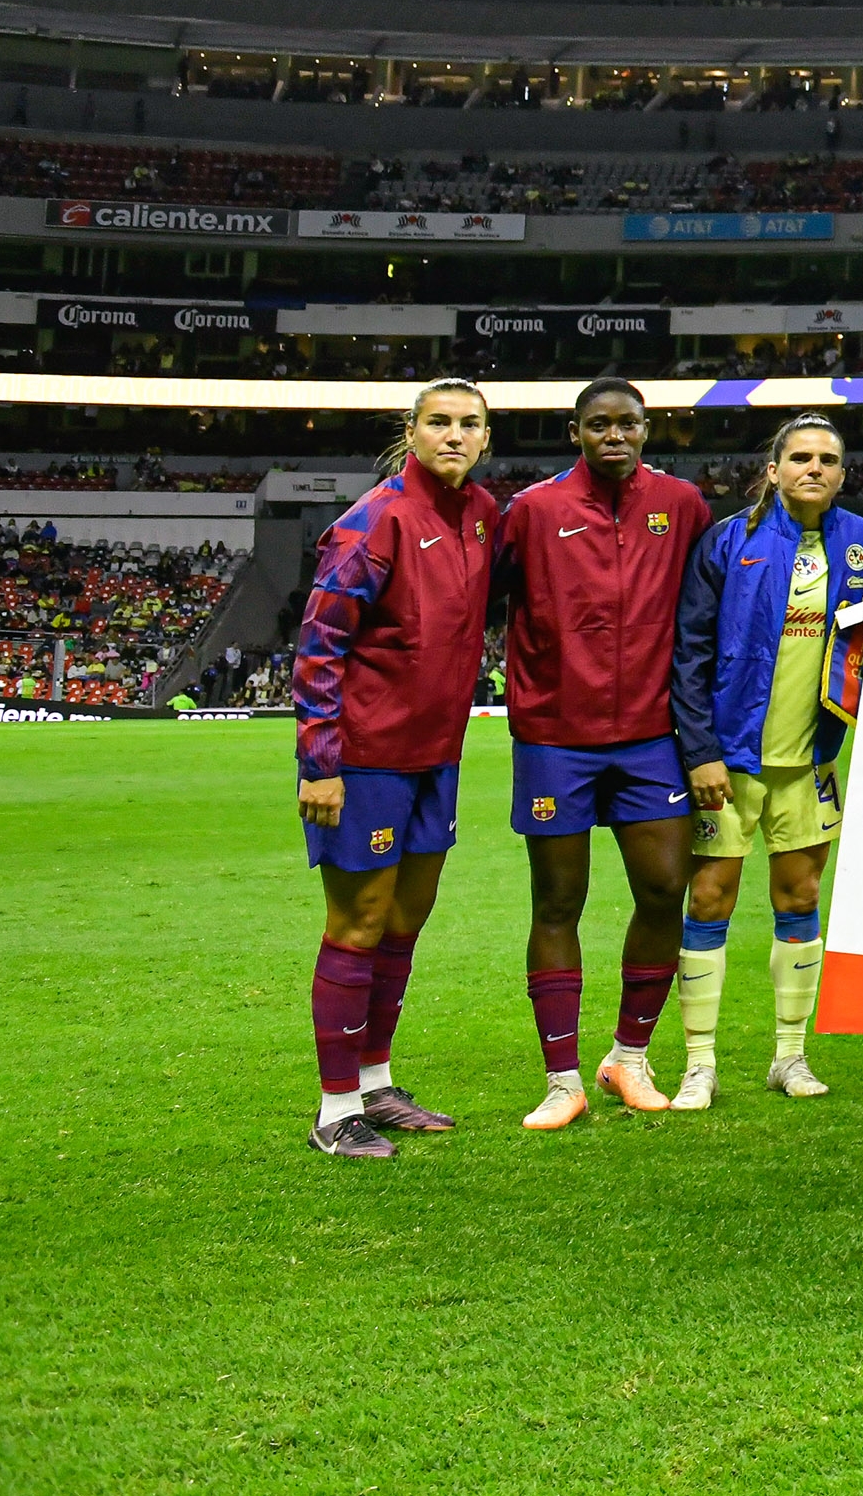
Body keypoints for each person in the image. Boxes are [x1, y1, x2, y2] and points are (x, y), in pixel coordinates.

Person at [491, 378, 713, 1131]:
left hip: (652, 736)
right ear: (574, 431)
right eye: (599, 424)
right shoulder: (532, 510)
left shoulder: (681, 505)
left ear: (648, 430)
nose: (614, 435)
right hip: (556, 737)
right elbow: (490, 601)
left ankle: (629, 1056)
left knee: (662, 888)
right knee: (557, 901)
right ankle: (561, 1079)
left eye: (628, 423)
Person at [290, 378, 499, 1159]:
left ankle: (374, 1082)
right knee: (359, 922)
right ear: (410, 432)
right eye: (439, 422)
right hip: (365, 759)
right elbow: (318, 644)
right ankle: (333, 1108)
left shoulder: (482, 517)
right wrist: (320, 762)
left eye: (469, 423)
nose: (454, 434)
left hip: (435, 758)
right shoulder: (371, 521)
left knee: (405, 922)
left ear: (485, 436)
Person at [669, 415, 863, 1109]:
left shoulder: (862, 543)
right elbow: (691, 650)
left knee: (799, 898)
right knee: (710, 898)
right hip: (730, 762)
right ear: (773, 468)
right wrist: (699, 749)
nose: (813, 468)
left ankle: (788, 1055)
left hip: (809, 759)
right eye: (800, 456)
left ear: (843, 474)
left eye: (827, 459)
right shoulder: (730, 540)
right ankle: (698, 1063)